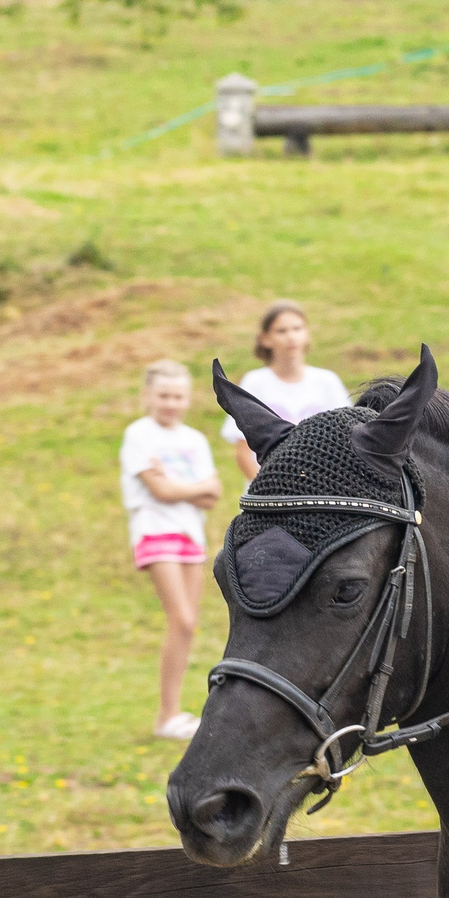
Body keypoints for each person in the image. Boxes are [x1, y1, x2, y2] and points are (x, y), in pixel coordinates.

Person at [121, 359, 222, 741]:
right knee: (180, 619)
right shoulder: (139, 435)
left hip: (189, 536)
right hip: (155, 532)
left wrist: (182, 488)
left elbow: (213, 495)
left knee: (188, 626)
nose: (171, 403)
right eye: (164, 395)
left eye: (178, 396)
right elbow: (159, 491)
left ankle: (174, 712)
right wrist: (191, 489)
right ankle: (166, 715)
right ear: (147, 396)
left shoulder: (194, 439)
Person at [223, 301, 349, 481]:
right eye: (282, 331)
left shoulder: (327, 382)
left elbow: (344, 441)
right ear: (265, 339)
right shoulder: (255, 383)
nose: (291, 336)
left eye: (297, 329)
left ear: (307, 334)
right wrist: (267, 487)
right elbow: (243, 452)